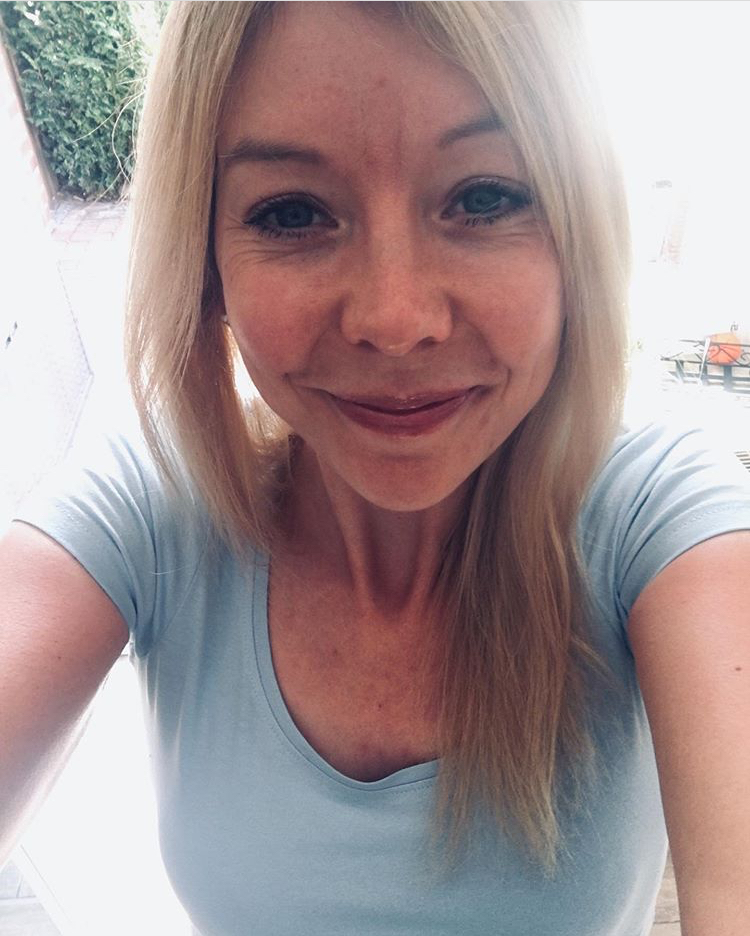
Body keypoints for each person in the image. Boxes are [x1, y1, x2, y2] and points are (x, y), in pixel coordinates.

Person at [2, 2, 750, 933]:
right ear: (206, 263)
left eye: (486, 197)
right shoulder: (153, 506)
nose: (396, 321)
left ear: (579, 232)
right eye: (293, 212)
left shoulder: (666, 520)